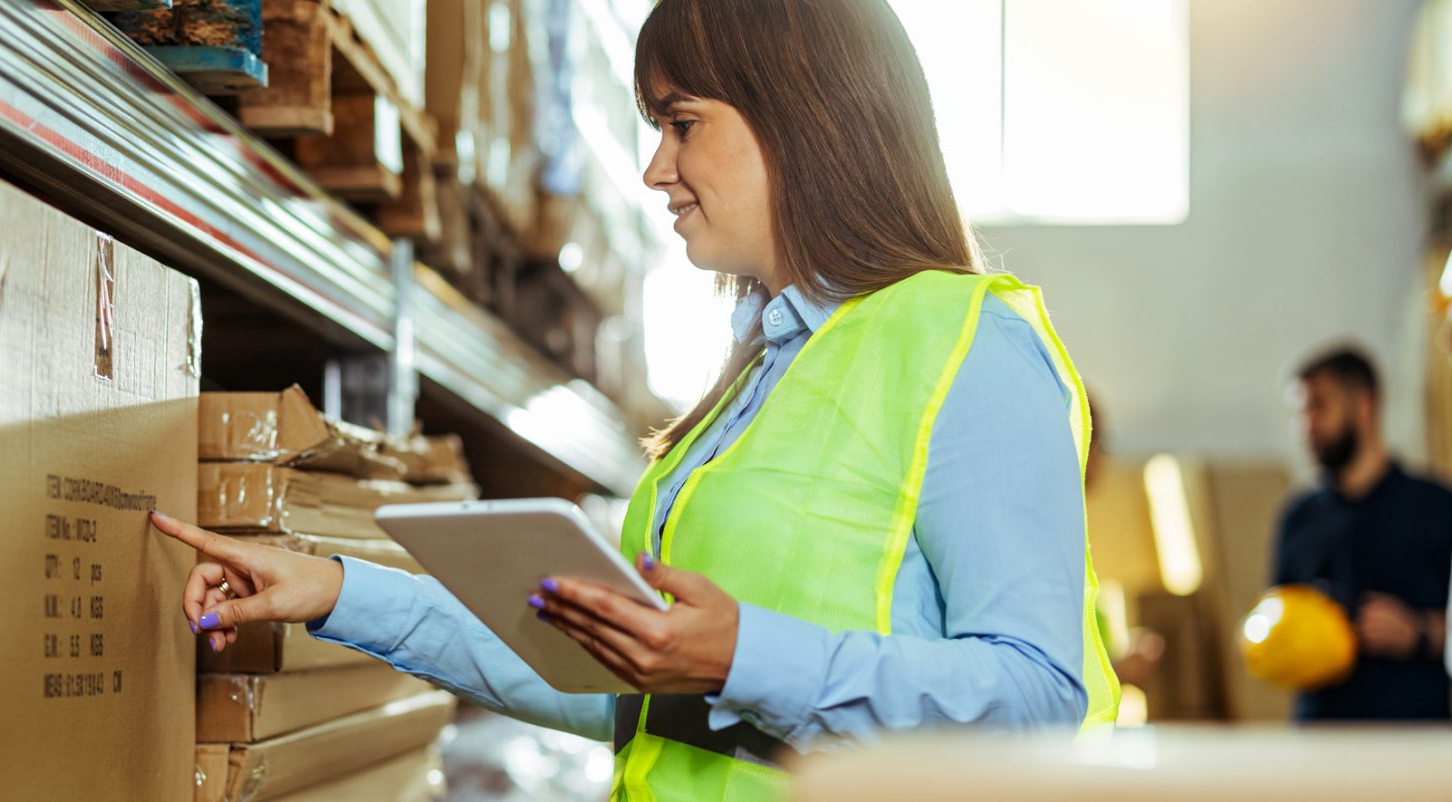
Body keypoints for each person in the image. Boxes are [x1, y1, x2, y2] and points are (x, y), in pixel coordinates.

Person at [154, 0, 1118, 797]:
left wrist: (742, 656)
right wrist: (331, 588)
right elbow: (608, 682)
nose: (657, 168)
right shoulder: (759, 377)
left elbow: (1040, 698)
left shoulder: (969, 344)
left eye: (682, 124)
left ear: (803, 118)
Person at [1275, 346, 1452, 721]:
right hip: (1320, 737)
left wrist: (1419, 633)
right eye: (1301, 411)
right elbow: (1276, 610)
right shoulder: (1298, 516)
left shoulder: (1437, 507)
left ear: (1364, 404)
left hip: (1414, 740)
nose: (1307, 425)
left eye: (1319, 406)